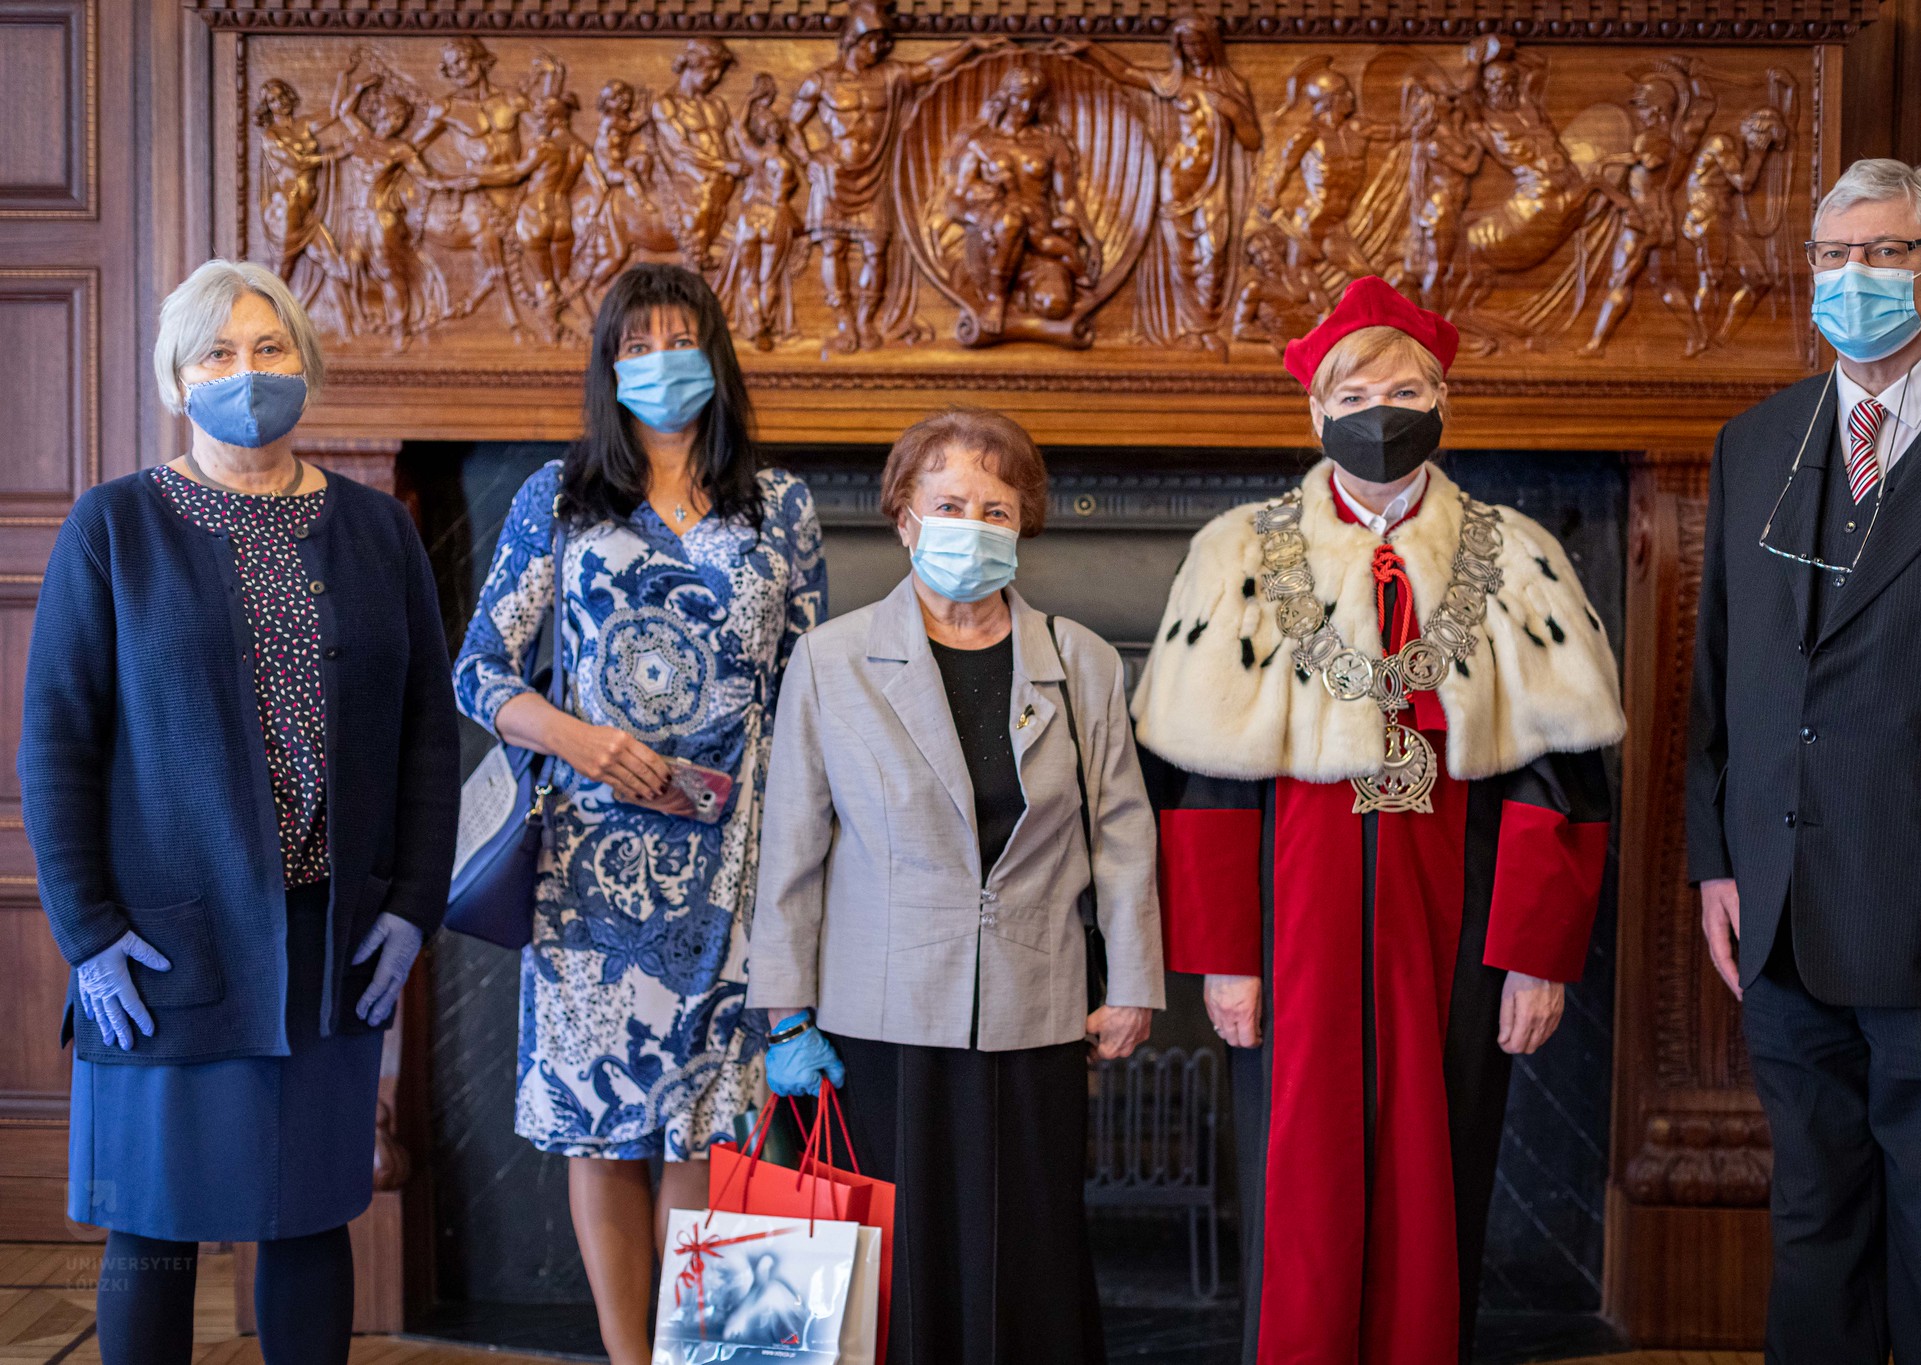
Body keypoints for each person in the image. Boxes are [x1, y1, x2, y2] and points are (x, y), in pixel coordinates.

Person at [1131, 275, 1625, 1364]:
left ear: (1443, 400)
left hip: (1456, 933)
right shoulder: (1236, 554)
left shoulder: (1516, 555)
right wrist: (1225, 958)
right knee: (1295, 1186)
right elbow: (1207, 781)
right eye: (1354, 394)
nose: (1379, 412)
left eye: (1404, 390)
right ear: (1315, 409)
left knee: (1437, 1171)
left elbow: (1562, 779)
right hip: (1289, 931)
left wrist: (1535, 957)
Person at [17, 259, 460, 1365]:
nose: (246, 371)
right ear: (177, 378)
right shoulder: (113, 526)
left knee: (310, 1212)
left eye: (270, 348)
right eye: (218, 352)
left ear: (306, 365)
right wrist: (89, 933)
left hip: (330, 944)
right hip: (160, 951)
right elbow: (57, 742)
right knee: (153, 1229)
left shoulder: (378, 531)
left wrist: (412, 904)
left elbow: (427, 732)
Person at [1688, 159, 1921, 1365]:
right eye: (1832, 256)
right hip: (1782, 924)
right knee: (1813, 1235)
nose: (1854, 278)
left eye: (1885, 253)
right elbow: (1719, 682)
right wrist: (1714, 861)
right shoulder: (1754, 444)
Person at [453, 263, 823, 1365]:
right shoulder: (557, 499)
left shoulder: (781, 506)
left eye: (681, 338)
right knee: (603, 1136)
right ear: (609, 367)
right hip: (588, 880)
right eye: (637, 342)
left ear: (716, 356)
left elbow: (808, 690)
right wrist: (584, 741)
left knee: (720, 1135)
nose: (662, 361)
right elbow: (479, 671)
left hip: (739, 869)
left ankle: (710, 1359)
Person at [747, 405, 1165, 1365]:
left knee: (1031, 1256)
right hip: (876, 1021)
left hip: (1037, 1010)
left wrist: (1136, 980)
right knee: (890, 1267)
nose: (971, 525)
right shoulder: (831, 660)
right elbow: (792, 849)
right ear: (905, 519)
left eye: (995, 509)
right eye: (948, 504)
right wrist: (783, 1016)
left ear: (1022, 528)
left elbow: (1123, 834)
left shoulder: (1083, 662)